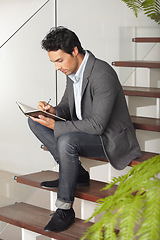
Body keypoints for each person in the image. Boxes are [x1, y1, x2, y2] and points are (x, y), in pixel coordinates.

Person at [28, 26, 142, 232]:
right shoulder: (72, 72)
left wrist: (57, 125)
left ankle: (65, 209)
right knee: (35, 121)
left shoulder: (102, 73)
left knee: (66, 140)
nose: (56, 67)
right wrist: (51, 111)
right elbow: (66, 108)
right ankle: (77, 173)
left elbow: (98, 125)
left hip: (110, 138)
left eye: (59, 61)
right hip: (86, 131)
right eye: (53, 62)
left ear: (74, 51)